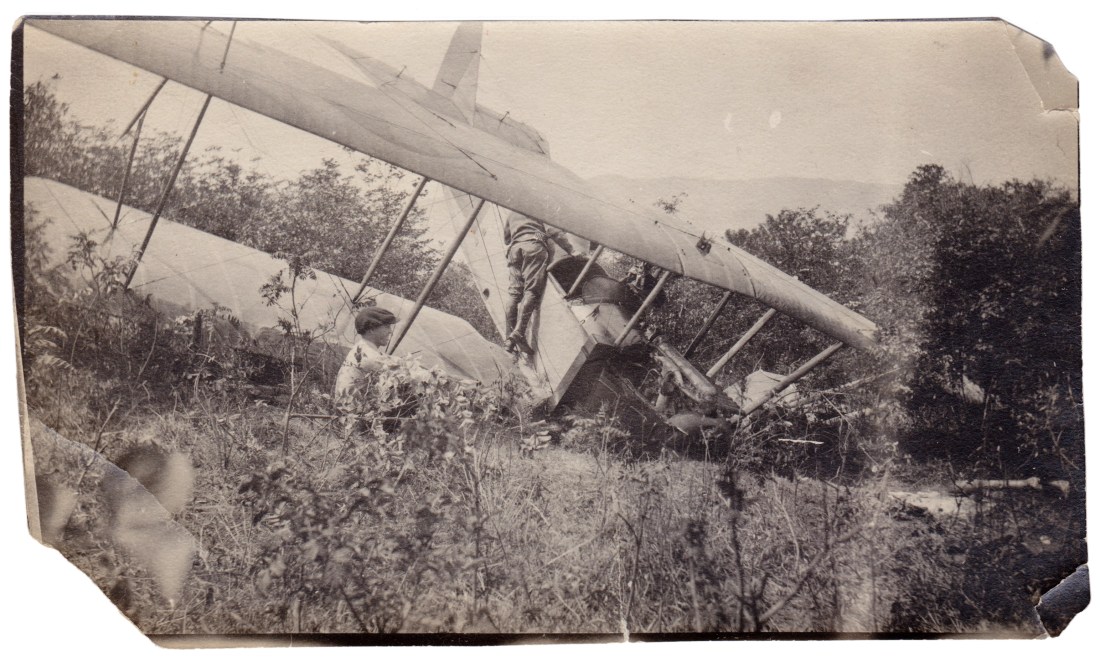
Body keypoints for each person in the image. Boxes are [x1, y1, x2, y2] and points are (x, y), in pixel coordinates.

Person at [502, 212, 574, 355]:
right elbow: (554, 232)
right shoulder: (537, 207)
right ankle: (517, 334)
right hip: (534, 247)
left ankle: (509, 339)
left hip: (515, 249)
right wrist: (571, 250)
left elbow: (506, 238)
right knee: (532, 291)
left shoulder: (511, 212)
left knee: (514, 294)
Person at [334, 307, 402, 431]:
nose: (390, 331)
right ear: (371, 329)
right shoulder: (370, 357)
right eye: (386, 327)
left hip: (347, 414)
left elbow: (387, 359)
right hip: (354, 422)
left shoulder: (362, 347)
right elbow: (401, 373)